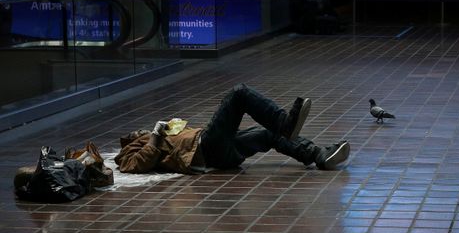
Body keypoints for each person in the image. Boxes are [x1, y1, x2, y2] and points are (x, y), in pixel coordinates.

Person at [114, 84, 350, 174]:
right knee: (239, 94)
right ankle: (285, 123)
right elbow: (139, 163)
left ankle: (318, 155)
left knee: (267, 135)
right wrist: (154, 135)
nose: (138, 132)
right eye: (136, 133)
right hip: (204, 149)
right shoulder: (128, 152)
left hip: (220, 152)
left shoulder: (159, 137)